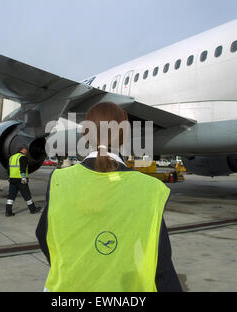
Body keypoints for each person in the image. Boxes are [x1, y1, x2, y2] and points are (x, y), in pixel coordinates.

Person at [36, 102, 182, 292]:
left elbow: (43, 235)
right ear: (124, 136)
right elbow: (161, 263)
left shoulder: (58, 180)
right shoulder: (150, 188)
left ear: (86, 135)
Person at [6, 146, 41, 217]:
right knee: (27, 195)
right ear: (22, 150)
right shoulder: (23, 157)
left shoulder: (12, 157)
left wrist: (9, 176)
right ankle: (33, 209)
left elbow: (8, 169)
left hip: (12, 180)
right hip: (21, 180)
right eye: (26, 150)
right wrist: (23, 178)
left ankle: (8, 212)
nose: (27, 151)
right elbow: (23, 168)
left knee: (11, 196)